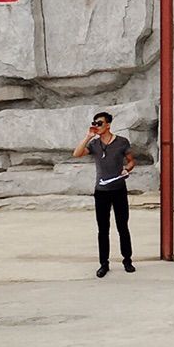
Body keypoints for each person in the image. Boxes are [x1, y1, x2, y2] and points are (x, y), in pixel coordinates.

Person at [72, 111, 136, 277]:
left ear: (108, 124)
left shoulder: (122, 142)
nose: (97, 126)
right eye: (95, 123)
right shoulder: (94, 144)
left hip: (119, 189)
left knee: (123, 226)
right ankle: (103, 263)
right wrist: (88, 136)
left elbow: (131, 161)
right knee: (103, 229)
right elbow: (76, 153)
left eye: (99, 123)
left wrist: (126, 169)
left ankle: (127, 260)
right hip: (101, 191)